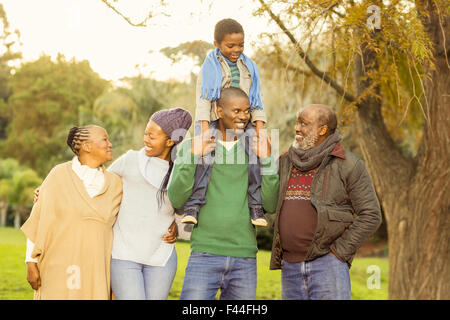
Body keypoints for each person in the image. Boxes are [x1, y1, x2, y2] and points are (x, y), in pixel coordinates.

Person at [168, 88, 279, 300]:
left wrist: (266, 159)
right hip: (204, 254)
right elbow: (177, 199)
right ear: (219, 111)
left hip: (244, 258)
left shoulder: (256, 147)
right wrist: (192, 155)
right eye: (236, 110)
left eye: (247, 111)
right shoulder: (195, 145)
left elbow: (271, 204)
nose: (243, 116)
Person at [270, 104, 382, 300]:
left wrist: (338, 253)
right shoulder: (285, 162)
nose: (297, 128)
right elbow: (268, 201)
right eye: (297, 122)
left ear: (322, 130)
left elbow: (371, 215)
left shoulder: (349, 165)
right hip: (289, 267)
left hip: (328, 266)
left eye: (304, 124)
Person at [181, 18, 268, 227]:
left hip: (242, 120)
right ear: (217, 44)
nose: (236, 49)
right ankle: (193, 204)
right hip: (214, 120)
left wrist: (260, 129)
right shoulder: (210, 67)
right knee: (204, 159)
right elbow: (203, 100)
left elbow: (256, 100)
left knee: (255, 158)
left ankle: (256, 207)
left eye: (241, 45)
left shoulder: (249, 68)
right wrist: (204, 132)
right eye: (230, 45)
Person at [21, 125, 123, 300]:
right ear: (87, 146)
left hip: (97, 273)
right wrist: (30, 262)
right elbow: (38, 220)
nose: (110, 144)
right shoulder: (58, 175)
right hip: (59, 268)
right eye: (105, 139)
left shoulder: (116, 184)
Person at [108, 107, 192, 300]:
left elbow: (187, 208)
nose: (146, 139)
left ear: (170, 141)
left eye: (152, 136)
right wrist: (46, 192)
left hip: (161, 257)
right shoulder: (130, 160)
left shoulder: (181, 172)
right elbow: (99, 185)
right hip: (124, 254)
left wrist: (178, 228)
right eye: (146, 133)